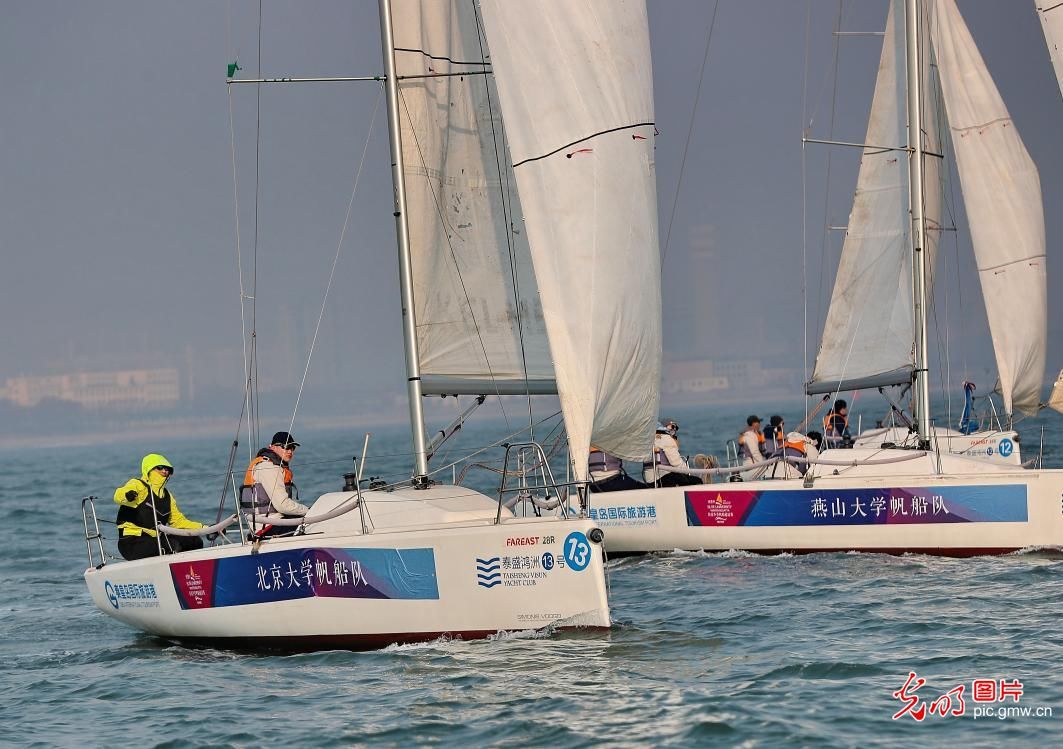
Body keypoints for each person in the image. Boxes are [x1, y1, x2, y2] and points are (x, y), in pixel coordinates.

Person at [114, 454, 206, 561]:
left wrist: (206, 529)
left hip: (155, 539)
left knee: (194, 541)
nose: (164, 471)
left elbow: (179, 522)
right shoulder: (138, 485)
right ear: (149, 469)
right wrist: (127, 495)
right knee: (171, 545)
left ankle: (192, 573)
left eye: (167, 469)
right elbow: (118, 495)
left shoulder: (167, 496)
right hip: (131, 542)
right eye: (160, 468)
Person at [240, 431, 309, 534]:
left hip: (275, 521)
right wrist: (309, 511)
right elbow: (282, 505)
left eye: (293, 448)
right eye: (286, 447)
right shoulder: (268, 467)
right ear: (273, 447)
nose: (290, 451)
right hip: (267, 527)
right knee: (314, 524)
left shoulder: (274, 466)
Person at [643, 420, 702, 487]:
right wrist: (688, 471)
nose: (674, 430)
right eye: (672, 427)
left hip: (649, 479)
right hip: (662, 478)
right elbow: (676, 463)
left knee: (682, 478)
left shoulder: (650, 439)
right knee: (697, 481)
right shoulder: (666, 438)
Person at [738, 415, 766, 479]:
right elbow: (754, 452)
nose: (760, 424)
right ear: (754, 424)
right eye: (758, 422)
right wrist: (763, 464)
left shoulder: (752, 434)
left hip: (752, 465)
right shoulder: (749, 435)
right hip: (752, 466)